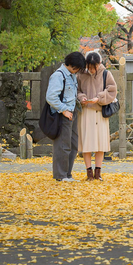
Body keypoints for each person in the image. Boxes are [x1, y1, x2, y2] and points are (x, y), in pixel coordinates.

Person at [77, 51, 117, 181]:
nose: (92, 70)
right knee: (86, 144)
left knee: (101, 144)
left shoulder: (106, 73)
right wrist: (82, 98)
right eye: (89, 67)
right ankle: (89, 173)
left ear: (99, 63)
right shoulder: (81, 74)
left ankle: (98, 173)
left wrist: (99, 98)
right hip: (86, 112)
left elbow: (112, 90)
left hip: (100, 112)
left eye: (94, 67)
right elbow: (77, 90)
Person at [46, 51, 86, 182]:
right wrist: (63, 110)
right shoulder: (58, 76)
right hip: (63, 114)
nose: (79, 71)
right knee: (63, 145)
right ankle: (60, 175)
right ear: (73, 65)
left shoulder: (72, 75)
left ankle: (68, 174)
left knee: (73, 144)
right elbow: (51, 97)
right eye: (79, 68)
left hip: (73, 112)